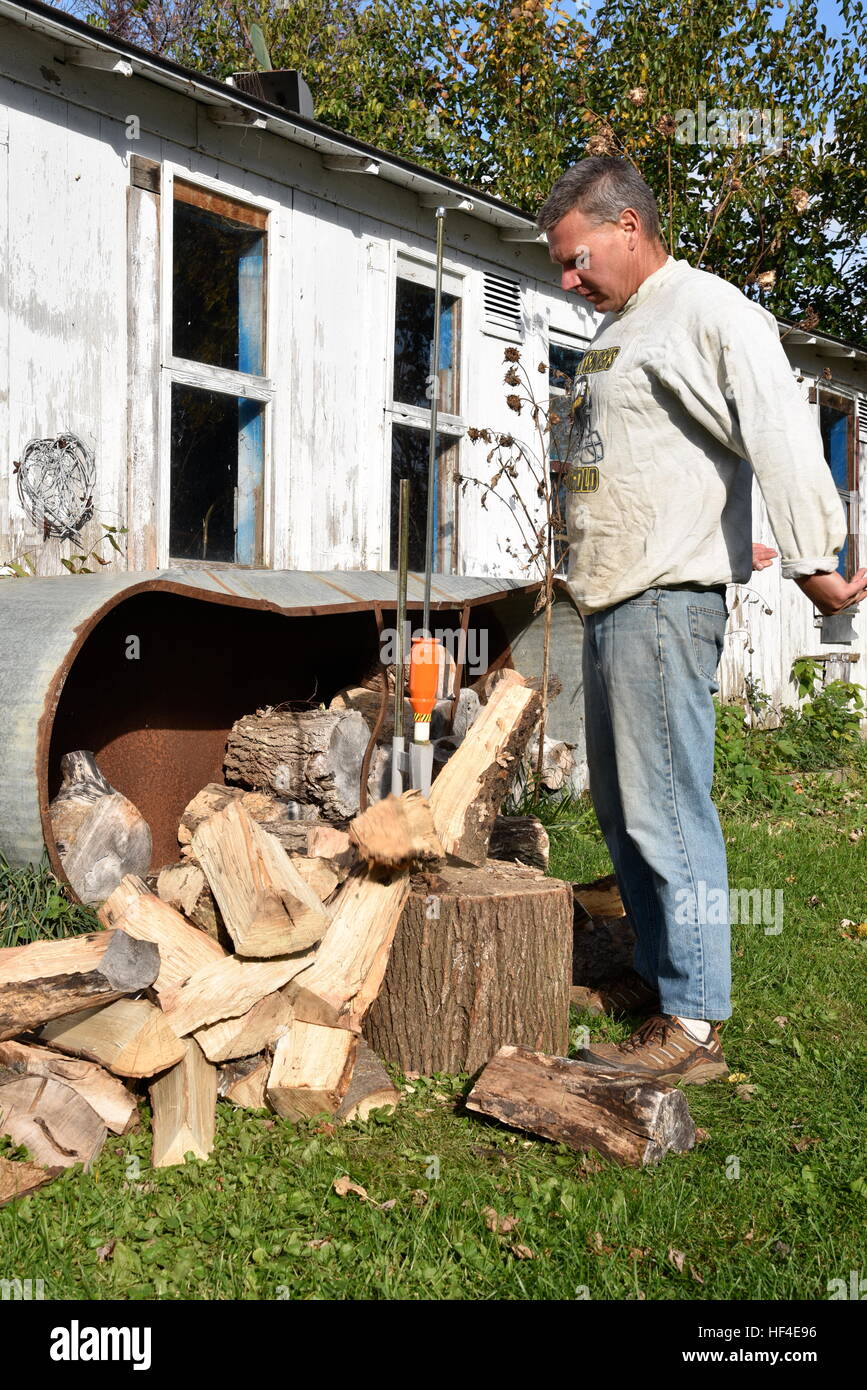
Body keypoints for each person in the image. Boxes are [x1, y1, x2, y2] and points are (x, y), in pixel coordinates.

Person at [536, 157, 866, 1084]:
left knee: (667, 811)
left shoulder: (711, 311)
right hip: (612, 595)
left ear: (629, 227)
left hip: (662, 600)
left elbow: (777, 428)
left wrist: (813, 560)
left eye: (576, 257)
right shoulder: (626, 325)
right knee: (622, 808)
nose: (567, 279)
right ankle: (656, 972)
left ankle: (694, 1025)